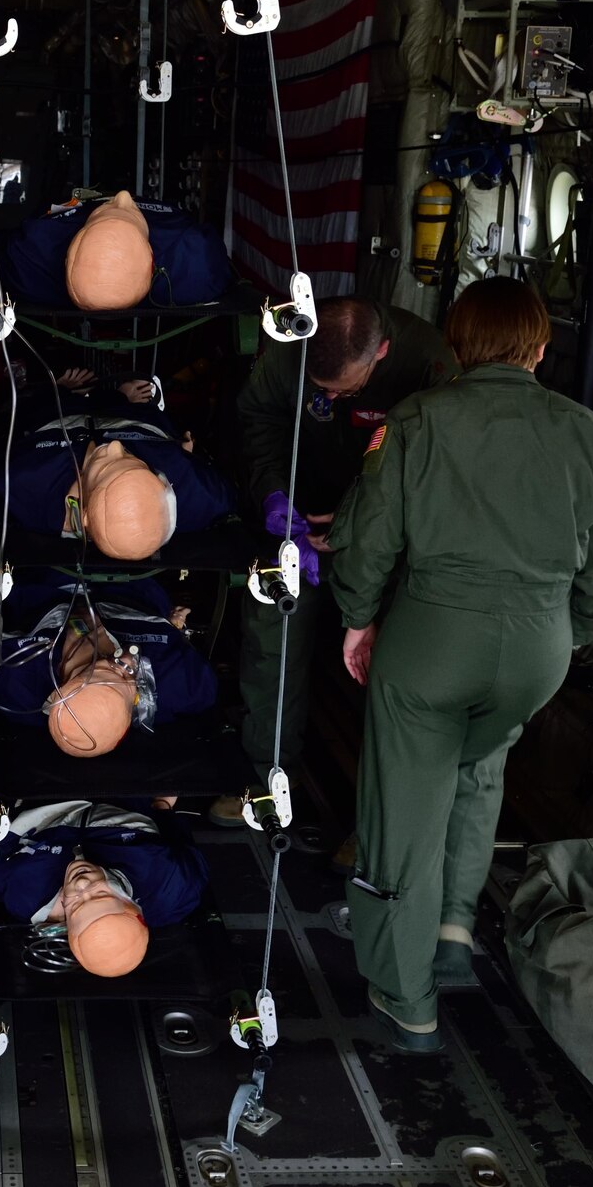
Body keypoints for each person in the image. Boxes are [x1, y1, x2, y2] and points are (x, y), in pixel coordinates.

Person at [326, 278, 593, 1054]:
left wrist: (359, 620)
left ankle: (406, 996)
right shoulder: (591, 433)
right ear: (539, 346)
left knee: (405, 804)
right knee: (479, 765)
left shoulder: (418, 421)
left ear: (457, 346)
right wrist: (560, 637)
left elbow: (367, 544)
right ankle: (456, 930)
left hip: (435, 635)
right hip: (537, 649)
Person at [221, 297, 458, 825]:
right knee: (273, 636)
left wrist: (357, 524)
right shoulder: (289, 345)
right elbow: (257, 418)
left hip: (389, 536)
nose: (329, 396)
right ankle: (268, 778)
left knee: (385, 667)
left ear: (383, 353)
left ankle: (376, 814)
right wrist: (273, 496)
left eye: (342, 387)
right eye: (321, 388)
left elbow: (438, 467)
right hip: (297, 520)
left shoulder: (429, 362)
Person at [0, 570, 218, 757]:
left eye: (107, 667)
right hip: (132, 574)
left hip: (44, 575)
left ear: (60, 691)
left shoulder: (16, 682)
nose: (127, 660)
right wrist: (175, 628)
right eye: (130, 679)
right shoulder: (180, 686)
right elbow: (203, 684)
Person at [0, 383, 234, 561]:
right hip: (130, 412)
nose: (115, 447)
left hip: (59, 406)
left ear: (85, 514)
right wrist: (187, 458)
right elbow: (224, 494)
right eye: (134, 460)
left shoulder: (19, 484)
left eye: (105, 467)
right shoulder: (199, 495)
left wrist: (59, 391)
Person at [0, 801, 210, 976]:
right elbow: (178, 832)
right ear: (131, 902)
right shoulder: (175, 886)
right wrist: (162, 807)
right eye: (100, 894)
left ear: (62, 924)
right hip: (126, 791)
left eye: (77, 904)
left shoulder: (23, 892)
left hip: (40, 795)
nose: (80, 884)